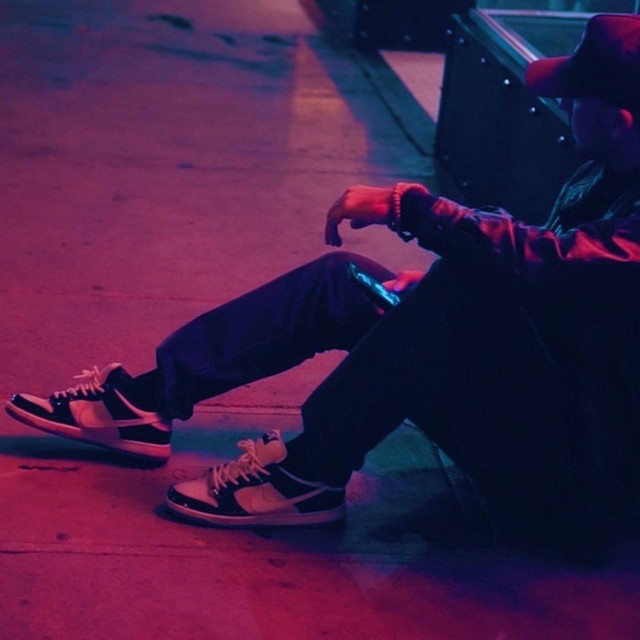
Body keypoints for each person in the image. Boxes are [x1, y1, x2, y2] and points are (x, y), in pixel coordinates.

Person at [6, 14, 640, 554]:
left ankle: (311, 476)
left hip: (571, 492)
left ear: (622, 120)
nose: (563, 104)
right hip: (542, 412)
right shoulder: (605, 169)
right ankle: (145, 404)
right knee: (347, 282)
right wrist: (441, 280)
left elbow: (550, 261)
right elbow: (552, 275)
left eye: (577, 95)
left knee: (460, 289)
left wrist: (413, 208)